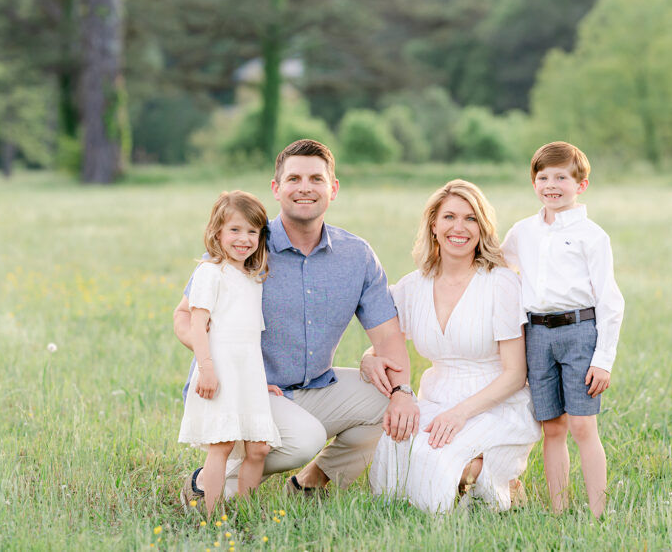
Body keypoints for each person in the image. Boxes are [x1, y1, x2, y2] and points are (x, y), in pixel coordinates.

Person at [174, 139, 419, 507]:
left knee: (385, 400)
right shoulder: (246, 241)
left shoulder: (356, 256)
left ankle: (311, 484)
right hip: (242, 389)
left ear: (332, 189)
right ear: (277, 189)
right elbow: (183, 317)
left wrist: (403, 393)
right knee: (304, 439)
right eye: (294, 178)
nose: (305, 187)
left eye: (316, 179)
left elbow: (387, 337)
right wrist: (220, 365)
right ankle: (209, 480)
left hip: (314, 386)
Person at [363, 180, 539, 513]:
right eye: (449, 217)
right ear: (433, 224)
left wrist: (460, 414)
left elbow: (516, 374)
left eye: (471, 218)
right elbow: (385, 345)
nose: (459, 227)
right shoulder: (413, 286)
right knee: (394, 455)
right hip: (436, 396)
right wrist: (367, 359)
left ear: (482, 228)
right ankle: (477, 475)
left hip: (496, 400)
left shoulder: (500, 283)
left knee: (438, 463)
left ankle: (489, 477)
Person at [501, 141, 624, 518]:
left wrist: (603, 360)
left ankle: (598, 512)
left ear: (580, 185)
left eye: (561, 177)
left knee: (583, 426)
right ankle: (558, 510)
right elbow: (498, 266)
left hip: (579, 333)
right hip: (537, 335)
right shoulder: (523, 231)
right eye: (543, 177)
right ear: (533, 182)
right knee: (551, 427)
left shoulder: (592, 235)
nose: (551, 185)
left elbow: (610, 301)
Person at [177, 191, 282, 516]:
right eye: (235, 230)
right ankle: (211, 513)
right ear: (217, 233)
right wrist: (206, 367)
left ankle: (246, 512)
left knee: (259, 448)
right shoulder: (211, 272)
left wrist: (255, 382)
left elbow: (247, 340)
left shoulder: (252, 278)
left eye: (252, 232)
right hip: (218, 371)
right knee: (221, 445)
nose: (244, 239)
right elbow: (198, 325)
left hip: (247, 375)